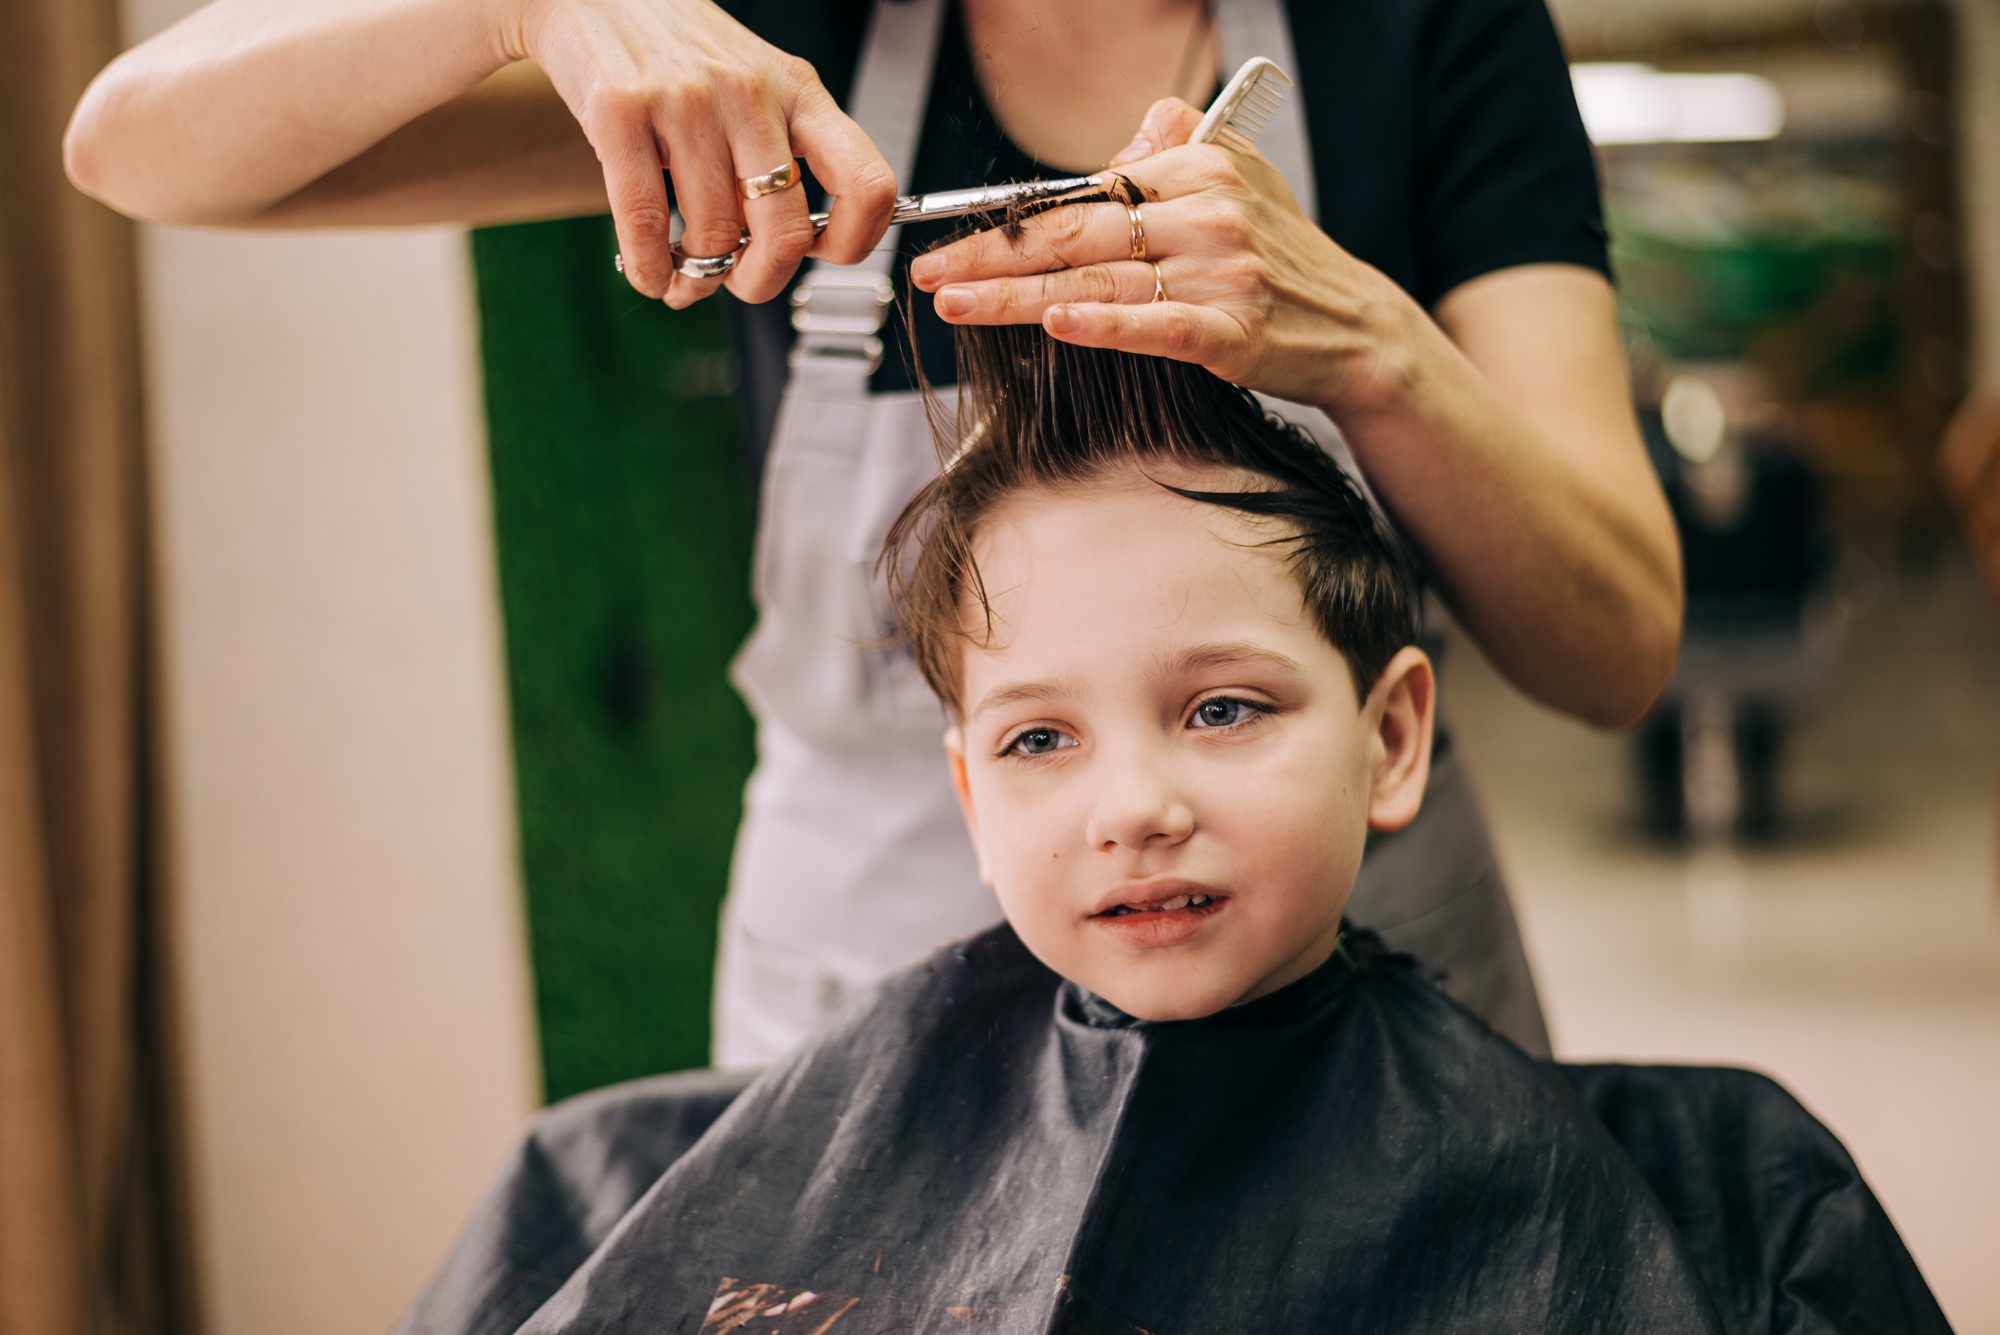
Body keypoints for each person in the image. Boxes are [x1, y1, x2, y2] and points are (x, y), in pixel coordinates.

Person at [65, 0, 1684, 1063]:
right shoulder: (786, 26)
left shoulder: (1425, 33)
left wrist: (1370, 344)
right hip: (872, 977)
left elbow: (1613, 648)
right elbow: (135, 150)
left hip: (1359, 979)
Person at [394, 328, 1943, 1335]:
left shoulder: (1739, 1205)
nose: (1134, 806)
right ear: (970, 804)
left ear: (1391, 737)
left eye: (1223, 709)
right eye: (1039, 739)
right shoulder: (599, 1189)